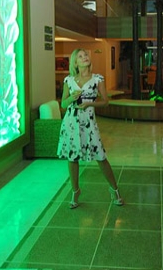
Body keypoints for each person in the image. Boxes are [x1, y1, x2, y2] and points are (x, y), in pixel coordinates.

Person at [57, 48, 124, 209]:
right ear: (75, 63)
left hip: (89, 122)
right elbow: (63, 104)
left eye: (85, 55)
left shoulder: (97, 79)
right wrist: (71, 98)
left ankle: (114, 189)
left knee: (100, 156)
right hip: (71, 123)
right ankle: (75, 191)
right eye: (80, 56)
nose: (84, 57)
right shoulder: (69, 80)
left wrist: (89, 103)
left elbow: (105, 102)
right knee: (72, 158)